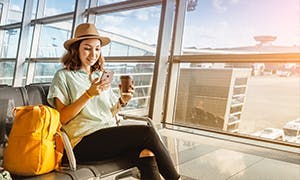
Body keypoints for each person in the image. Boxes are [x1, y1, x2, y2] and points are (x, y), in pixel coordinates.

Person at [47, 23, 180, 180]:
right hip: (82, 142)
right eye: (87, 48)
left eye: (97, 49)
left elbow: (108, 112)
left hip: (107, 136)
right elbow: (62, 118)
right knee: (147, 132)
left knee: (147, 154)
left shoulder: (99, 76)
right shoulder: (63, 76)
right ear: (76, 49)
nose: (93, 53)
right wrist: (88, 95)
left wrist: (122, 102)